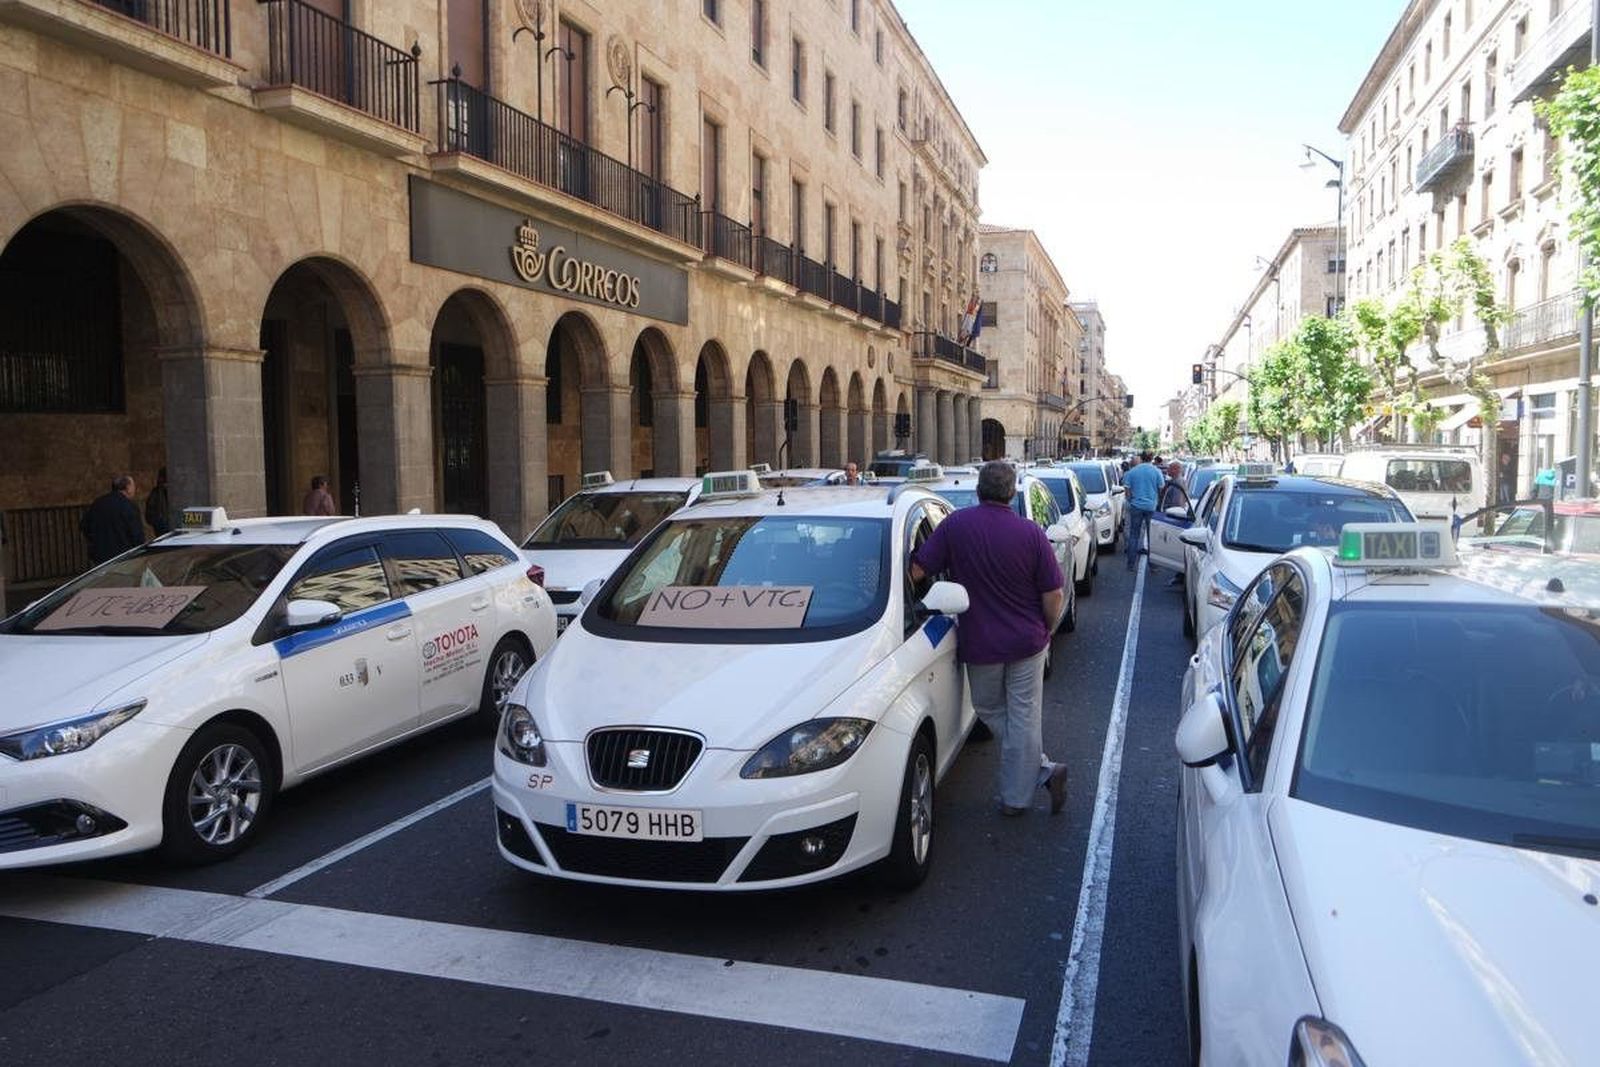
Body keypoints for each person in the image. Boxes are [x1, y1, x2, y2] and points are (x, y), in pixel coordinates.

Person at [910, 461, 1069, 816]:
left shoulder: (956, 525)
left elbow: (918, 569)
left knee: (988, 708)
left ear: (979, 490)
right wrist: (1047, 628)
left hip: (981, 641)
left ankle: (1022, 793)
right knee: (1024, 716)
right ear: (1012, 493)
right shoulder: (1031, 533)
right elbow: (1054, 593)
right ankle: (1038, 775)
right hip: (1029, 640)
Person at [81, 474, 144, 564]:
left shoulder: (98, 503)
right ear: (128, 487)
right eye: (133, 486)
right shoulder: (129, 506)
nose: (135, 490)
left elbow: (85, 526)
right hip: (123, 556)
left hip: (100, 556)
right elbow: (137, 535)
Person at [1121, 451, 1164, 570]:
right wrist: (1156, 500)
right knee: (1152, 536)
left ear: (1141, 458)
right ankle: (1153, 565)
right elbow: (1161, 488)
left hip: (1136, 506)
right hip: (1151, 506)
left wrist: (1132, 499)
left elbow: (1127, 490)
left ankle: (1130, 564)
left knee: (1134, 535)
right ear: (1151, 459)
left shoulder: (1132, 472)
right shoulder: (1156, 471)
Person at [144, 466, 171, 535]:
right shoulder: (156, 493)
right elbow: (150, 514)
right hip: (162, 529)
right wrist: (158, 523)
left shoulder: (156, 493)